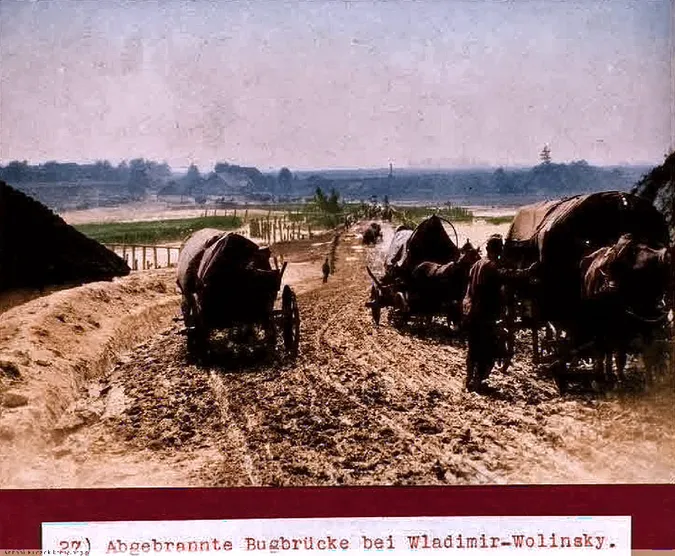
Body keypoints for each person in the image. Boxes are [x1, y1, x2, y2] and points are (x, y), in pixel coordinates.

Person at [463, 234, 537, 392]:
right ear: (498, 250)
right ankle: (479, 383)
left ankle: (469, 380)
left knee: (473, 349)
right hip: (485, 314)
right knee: (488, 350)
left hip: (471, 313)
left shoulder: (476, 264)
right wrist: (527, 272)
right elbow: (507, 275)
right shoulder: (491, 266)